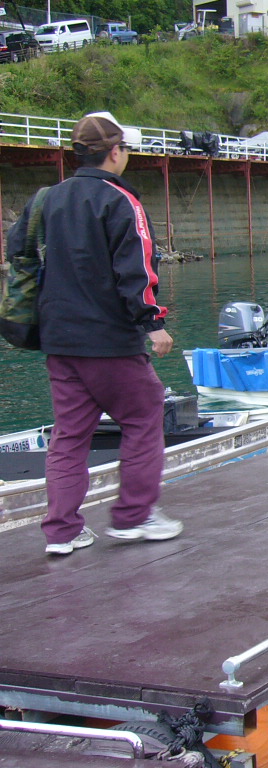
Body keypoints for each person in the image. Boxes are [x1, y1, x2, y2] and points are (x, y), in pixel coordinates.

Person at [5, 111, 183, 555]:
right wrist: (153, 324)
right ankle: (134, 516)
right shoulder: (121, 201)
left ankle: (62, 531)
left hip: (59, 339)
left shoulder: (47, 198)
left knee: (69, 436)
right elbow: (137, 268)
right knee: (144, 415)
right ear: (115, 152)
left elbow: (18, 248)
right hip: (110, 341)